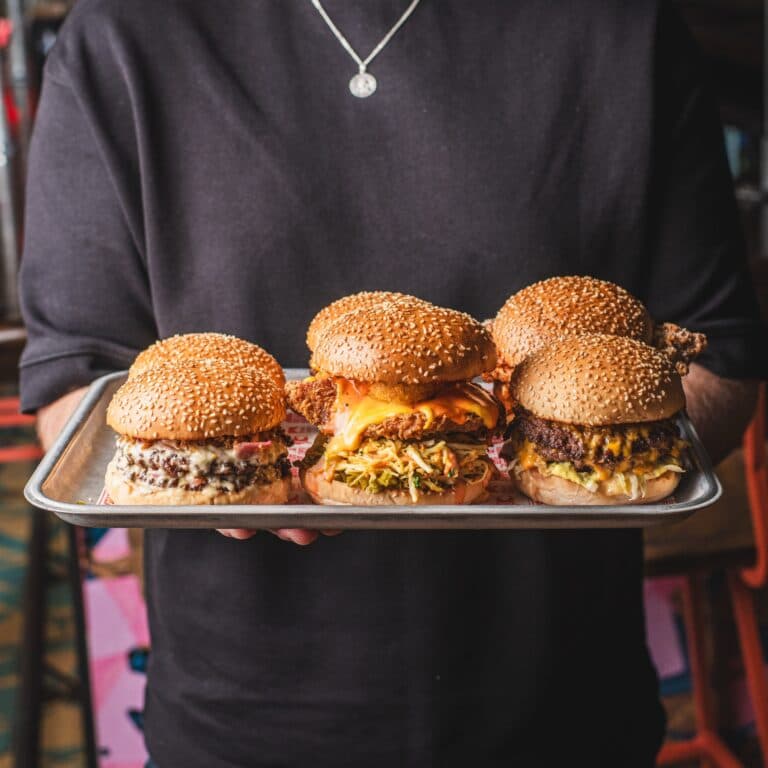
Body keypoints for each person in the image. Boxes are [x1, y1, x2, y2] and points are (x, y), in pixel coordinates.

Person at [20, 1, 765, 765]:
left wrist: (598, 450)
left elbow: (722, 355)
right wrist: (217, 476)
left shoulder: (625, 26)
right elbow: (71, 382)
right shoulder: (124, 33)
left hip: (567, 708)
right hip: (240, 718)